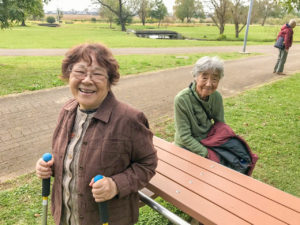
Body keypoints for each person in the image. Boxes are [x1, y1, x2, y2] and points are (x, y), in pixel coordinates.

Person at [35, 43, 157, 225]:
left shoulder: (129, 119)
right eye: (80, 72)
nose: (86, 80)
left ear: (110, 80)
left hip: (107, 219)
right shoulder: (67, 111)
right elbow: (68, 156)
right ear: (69, 76)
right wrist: (49, 166)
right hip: (66, 217)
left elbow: (147, 164)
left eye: (97, 74)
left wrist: (116, 185)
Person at [174, 56, 225, 158]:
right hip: (186, 146)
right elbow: (184, 136)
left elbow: (220, 125)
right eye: (204, 78)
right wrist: (206, 153)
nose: (209, 84)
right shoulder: (182, 99)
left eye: (214, 79)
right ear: (196, 77)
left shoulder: (216, 97)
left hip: (208, 141)